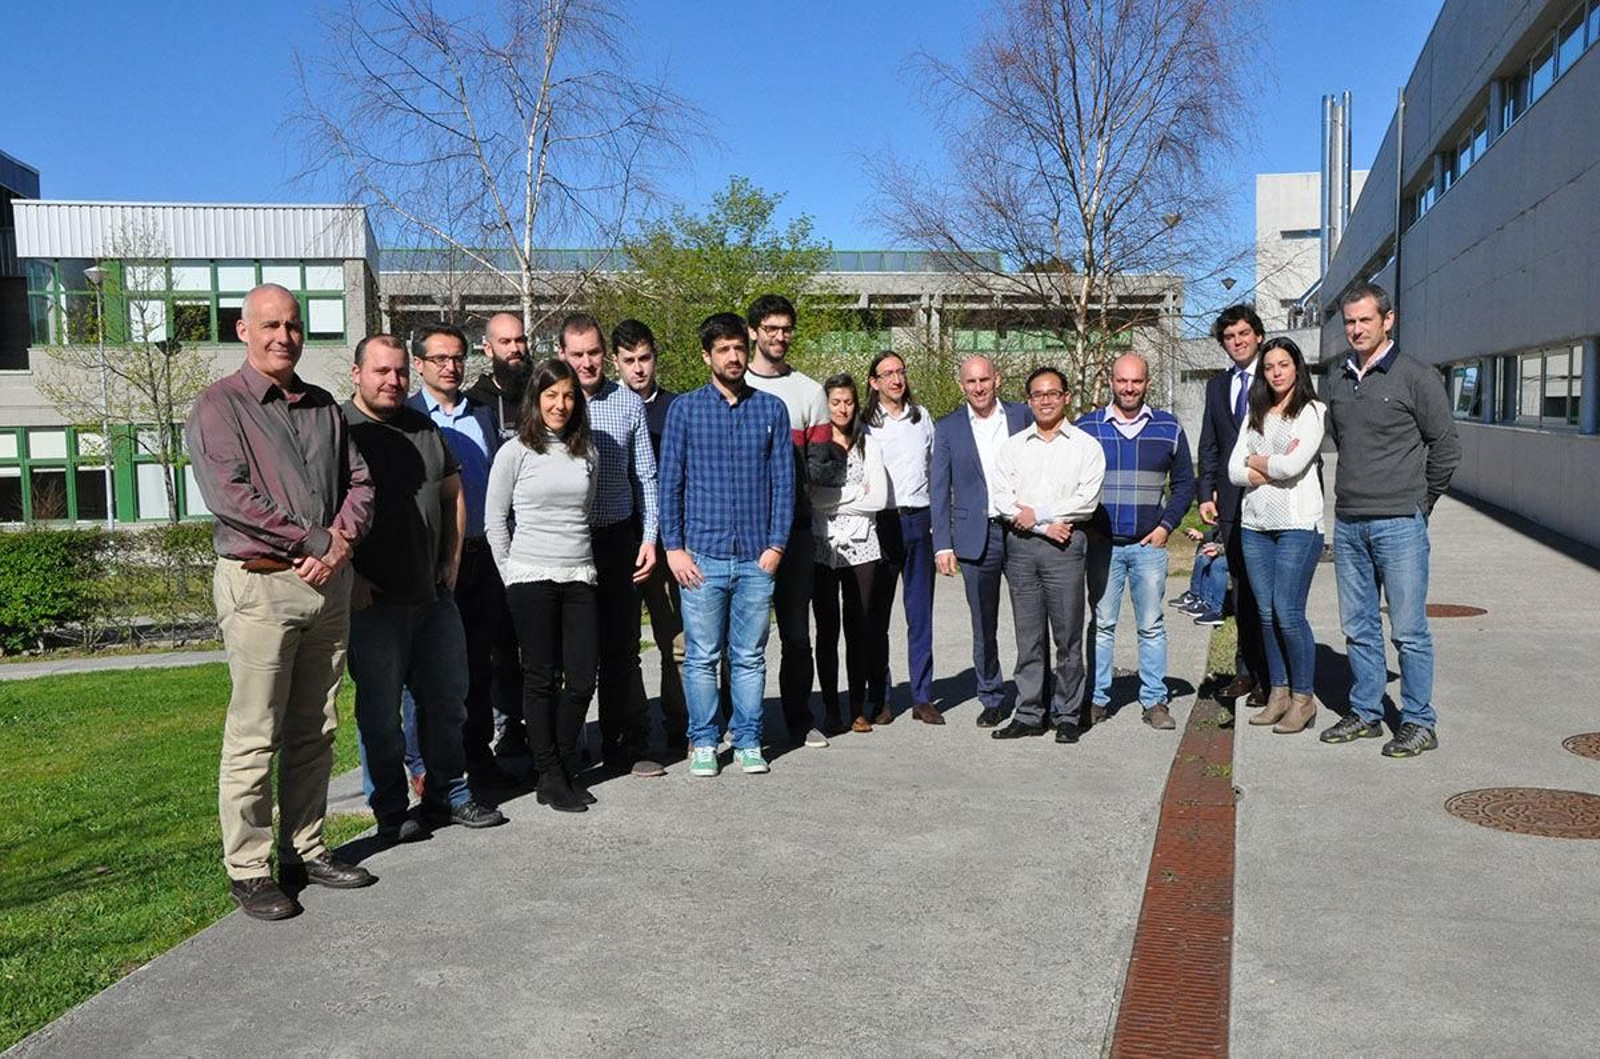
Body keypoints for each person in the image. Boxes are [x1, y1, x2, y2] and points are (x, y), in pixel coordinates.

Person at [185, 283, 375, 921]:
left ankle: (306, 848)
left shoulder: (323, 406)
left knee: (315, 727)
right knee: (254, 733)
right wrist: (318, 538)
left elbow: (358, 480)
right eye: (269, 325)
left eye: (292, 325)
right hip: (261, 585)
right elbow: (231, 496)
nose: (282, 336)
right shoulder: (219, 407)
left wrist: (339, 544)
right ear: (243, 330)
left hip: (328, 584)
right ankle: (248, 867)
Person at [343, 336, 506, 837]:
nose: (392, 381)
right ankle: (391, 810)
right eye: (381, 371)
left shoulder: (424, 427)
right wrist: (351, 578)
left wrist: (450, 563)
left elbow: (453, 492)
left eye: (398, 373)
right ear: (357, 374)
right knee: (381, 712)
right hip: (373, 601)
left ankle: (447, 794)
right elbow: (323, 509)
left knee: (447, 702)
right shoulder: (339, 430)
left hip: (433, 595)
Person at [1320, 283, 1460, 757]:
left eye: (1365, 320)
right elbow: (1340, 437)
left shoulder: (1417, 377)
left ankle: (1419, 720)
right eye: (1350, 322)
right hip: (1350, 523)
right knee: (1358, 626)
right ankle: (1366, 712)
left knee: (1407, 629)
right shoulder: (1337, 380)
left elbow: (1445, 447)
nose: (1356, 329)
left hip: (1400, 523)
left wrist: (1422, 503)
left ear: (1388, 320)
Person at [658, 312, 794, 778]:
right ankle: (703, 740)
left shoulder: (771, 409)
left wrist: (775, 546)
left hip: (757, 556)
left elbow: (784, 483)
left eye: (739, 347)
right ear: (706, 356)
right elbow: (669, 483)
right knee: (701, 655)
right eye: (723, 350)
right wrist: (673, 548)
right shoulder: (685, 410)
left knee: (750, 655)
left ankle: (750, 738)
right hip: (701, 557)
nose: (733, 357)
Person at [407, 322, 518, 792]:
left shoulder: (483, 414)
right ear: (419, 364)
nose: (451, 367)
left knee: (478, 663)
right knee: (424, 670)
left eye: (457, 358)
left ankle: (477, 754)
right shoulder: (408, 415)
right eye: (440, 359)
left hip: (481, 556)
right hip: (429, 562)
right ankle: (421, 765)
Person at [485, 358, 600, 813]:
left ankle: (561, 762)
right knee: (540, 678)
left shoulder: (586, 451)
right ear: (536, 398)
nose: (561, 404)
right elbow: (495, 520)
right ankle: (550, 774)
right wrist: (511, 573)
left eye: (569, 395)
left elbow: (584, 510)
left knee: (582, 677)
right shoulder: (514, 451)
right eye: (551, 395)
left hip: (579, 574)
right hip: (530, 576)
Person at [558, 312, 661, 777]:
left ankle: (628, 742)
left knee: (622, 649)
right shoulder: (552, 402)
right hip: (567, 543)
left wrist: (650, 539)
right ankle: (568, 748)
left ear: (606, 353)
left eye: (594, 352)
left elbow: (647, 477)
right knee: (573, 653)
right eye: (577, 354)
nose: (587, 362)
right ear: (563, 355)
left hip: (619, 540)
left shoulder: (628, 404)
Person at [742, 293, 842, 748]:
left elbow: (826, 465)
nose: (779, 336)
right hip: (742, 532)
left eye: (786, 329)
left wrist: (787, 472)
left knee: (797, 636)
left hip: (796, 530)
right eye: (771, 328)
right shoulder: (734, 382)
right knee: (742, 636)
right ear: (753, 332)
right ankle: (740, 721)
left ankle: (799, 719)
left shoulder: (808, 392)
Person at [1076, 353, 1195, 731]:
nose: (1129, 388)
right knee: (1103, 623)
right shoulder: (1087, 427)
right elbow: (1072, 482)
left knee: (1151, 624)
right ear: (1111, 381)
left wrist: (1166, 527)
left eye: (1137, 382)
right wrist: (1087, 525)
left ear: (1147, 382)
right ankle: (1096, 699)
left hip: (1148, 546)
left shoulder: (1168, 427)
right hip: (1103, 545)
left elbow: (1184, 485)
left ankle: (1155, 700)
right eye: (1122, 381)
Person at [988, 367, 1106, 744]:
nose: (1045, 400)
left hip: (1066, 546)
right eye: (1038, 394)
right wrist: (1041, 525)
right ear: (1029, 401)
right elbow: (1003, 499)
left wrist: (1036, 514)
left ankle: (1068, 713)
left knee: (1068, 636)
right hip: (1021, 549)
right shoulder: (1013, 446)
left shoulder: (1085, 447)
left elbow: (1085, 501)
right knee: (1028, 637)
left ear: (1066, 396)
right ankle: (1029, 712)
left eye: (1053, 393)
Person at [1226, 337, 1328, 734]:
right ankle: (1279, 693)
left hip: (1297, 527)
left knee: (1287, 611)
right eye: (1269, 367)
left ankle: (1304, 699)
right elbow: (1234, 470)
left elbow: (1293, 465)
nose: (1276, 373)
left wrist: (1256, 461)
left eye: (1283, 365)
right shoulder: (1256, 412)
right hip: (1255, 526)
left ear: (1296, 367)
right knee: (1265, 614)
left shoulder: (1312, 412)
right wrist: (1258, 465)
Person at [929, 355, 1032, 728]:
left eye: (984, 380)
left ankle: (1034, 693)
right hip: (976, 537)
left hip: (1020, 531)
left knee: (1030, 620)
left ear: (997, 379)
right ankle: (991, 696)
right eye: (971, 382)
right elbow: (939, 490)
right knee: (983, 624)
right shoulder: (948, 428)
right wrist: (942, 544)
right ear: (962, 386)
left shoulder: (1022, 417)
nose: (978, 387)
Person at [613, 319, 687, 757]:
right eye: (629, 361)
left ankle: (678, 723)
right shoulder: (605, 407)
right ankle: (632, 727)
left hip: (666, 544)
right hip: (621, 541)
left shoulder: (677, 409)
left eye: (644, 359)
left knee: (675, 641)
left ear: (655, 357)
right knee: (623, 646)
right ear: (616, 363)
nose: (638, 369)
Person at [1197, 305, 1272, 711]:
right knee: (1241, 589)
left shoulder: (1276, 375)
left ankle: (1272, 677)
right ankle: (1246, 671)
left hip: (1270, 497)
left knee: (1268, 593)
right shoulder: (1217, 386)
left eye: (1244, 333)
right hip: (1229, 501)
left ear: (1258, 335)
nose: (1238, 342)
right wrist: (1206, 491)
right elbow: (1209, 443)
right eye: (1229, 337)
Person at [464, 311, 530, 755]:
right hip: (493, 541)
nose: (515, 349)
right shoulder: (476, 402)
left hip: (540, 537)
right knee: (496, 645)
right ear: (488, 349)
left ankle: (544, 728)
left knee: (540, 644)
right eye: (505, 342)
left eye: (520, 340)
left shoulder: (544, 393)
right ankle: (505, 729)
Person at [863, 351, 940, 725]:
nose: (897, 379)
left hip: (919, 519)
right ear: (874, 382)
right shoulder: (865, 424)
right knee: (876, 615)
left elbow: (935, 472)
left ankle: (923, 696)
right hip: (881, 522)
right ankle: (880, 697)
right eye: (887, 374)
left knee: (920, 612)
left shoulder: (922, 418)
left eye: (900, 371)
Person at [811, 373, 891, 733]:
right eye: (835, 401)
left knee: (859, 628)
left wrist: (837, 498)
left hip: (863, 549)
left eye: (848, 401)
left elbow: (879, 499)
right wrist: (855, 491)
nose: (842, 408)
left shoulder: (868, 443)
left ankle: (857, 706)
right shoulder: (817, 443)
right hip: (822, 548)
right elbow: (812, 497)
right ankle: (830, 707)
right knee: (826, 632)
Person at [1171, 527, 1229, 626]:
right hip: (1223, 547)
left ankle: (1216, 610)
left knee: (1218, 564)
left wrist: (1219, 548)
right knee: (1203, 555)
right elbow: (1218, 533)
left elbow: (1236, 542)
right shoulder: (1223, 518)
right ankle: (1197, 596)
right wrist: (1203, 536)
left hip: (1237, 552)